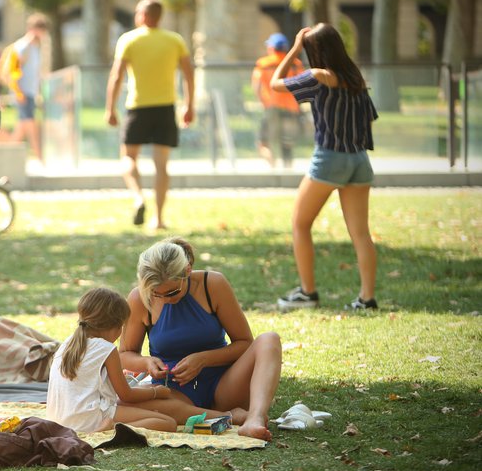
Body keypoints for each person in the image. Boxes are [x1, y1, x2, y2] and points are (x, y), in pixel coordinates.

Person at [120, 237, 282, 441]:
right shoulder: (138, 298)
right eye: (156, 293)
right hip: (176, 393)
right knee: (123, 404)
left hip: (224, 385)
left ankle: (255, 419)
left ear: (187, 271)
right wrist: (146, 363)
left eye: (172, 292)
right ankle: (230, 417)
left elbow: (244, 343)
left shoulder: (212, 284)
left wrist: (203, 359)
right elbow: (124, 354)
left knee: (269, 339)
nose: (166, 299)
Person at [271, 24, 379, 311]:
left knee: (299, 223)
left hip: (330, 157)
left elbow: (275, 83)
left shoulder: (319, 76)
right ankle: (367, 300)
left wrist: (293, 49)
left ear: (314, 51)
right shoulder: (355, 78)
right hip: (359, 160)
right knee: (361, 234)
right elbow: (368, 120)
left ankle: (308, 293)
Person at [105, 0, 194, 229]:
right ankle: (159, 219)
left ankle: (138, 197)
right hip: (165, 108)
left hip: (137, 108)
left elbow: (116, 77)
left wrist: (110, 108)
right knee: (161, 166)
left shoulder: (129, 40)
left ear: (142, 16)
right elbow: (188, 75)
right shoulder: (175, 41)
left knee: (128, 158)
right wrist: (189, 105)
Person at [47, 287, 178, 433]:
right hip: (88, 418)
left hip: (59, 420)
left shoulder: (69, 343)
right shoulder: (106, 349)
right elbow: (126, 395)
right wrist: (157, 392)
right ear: (115, 327)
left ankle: (110, 426)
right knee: (167, 422)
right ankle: (109, 429)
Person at [252, 32, 305, 169]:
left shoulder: (263, 63)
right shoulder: (296, 64)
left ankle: (272, 167)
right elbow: (302, 85)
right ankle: (287, 170)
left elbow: (256, 86)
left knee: (263, 142)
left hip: (272, 107)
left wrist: (262, 101)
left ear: (271, 48)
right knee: (287, 143)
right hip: (291, 108)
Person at [0, 13, 48, 160]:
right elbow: (11, 71)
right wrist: (17, 92)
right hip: (22, 93)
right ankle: (40, 158)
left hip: (29, 93)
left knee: (21, 128)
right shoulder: (22, 46)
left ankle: (6, 157)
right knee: (31, 125)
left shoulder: (35, 47)